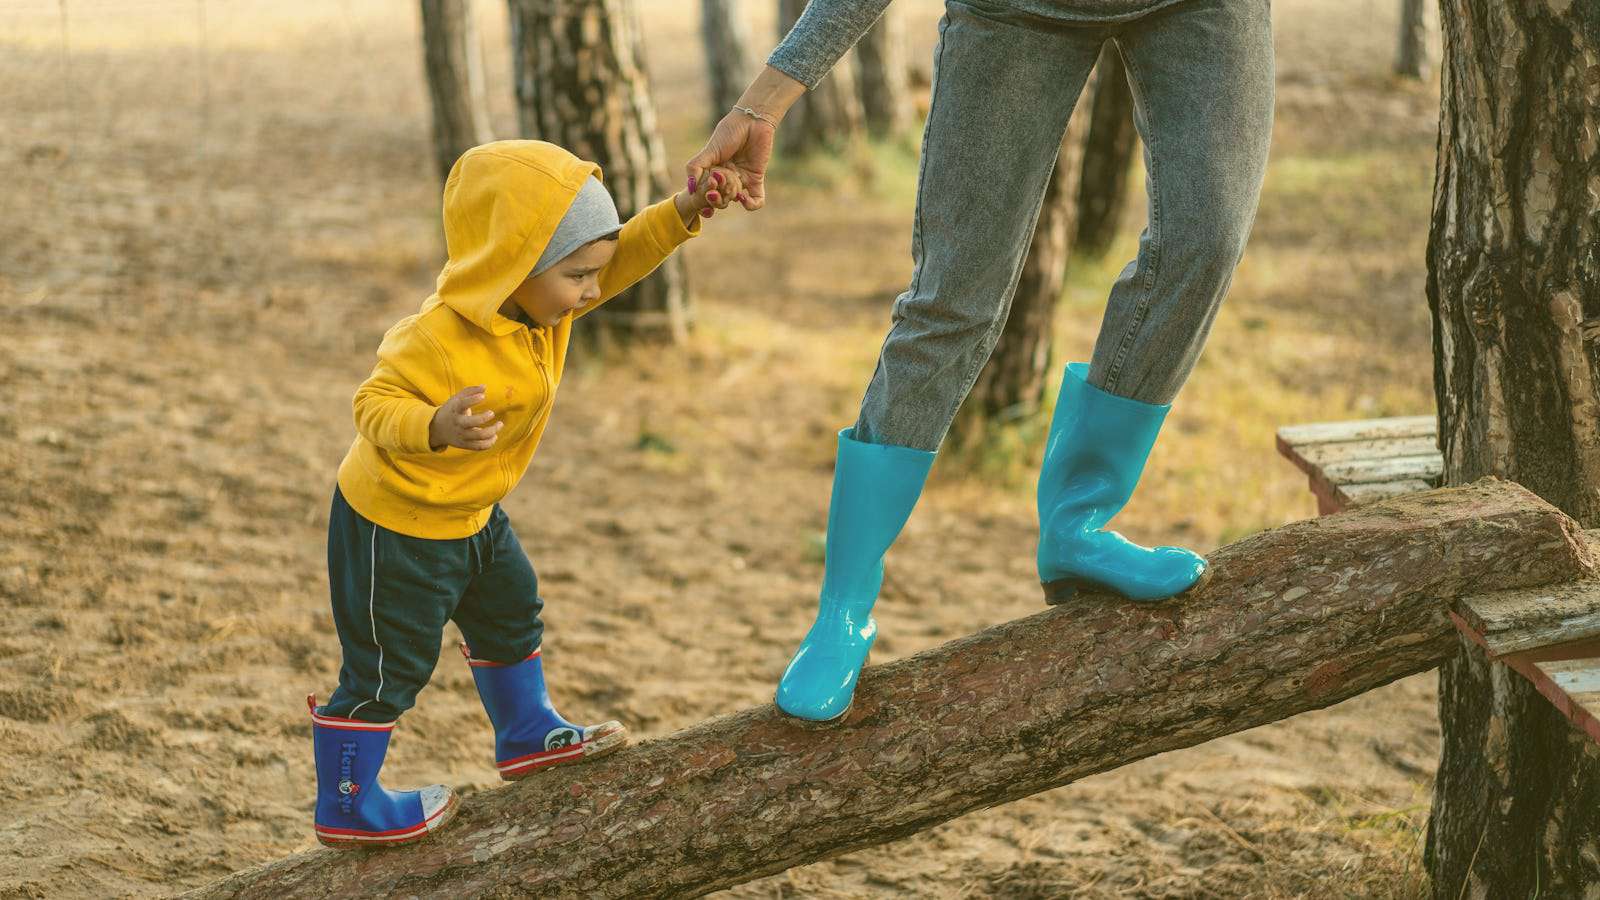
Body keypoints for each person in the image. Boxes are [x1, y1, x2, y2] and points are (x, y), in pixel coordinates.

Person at [687, 0, 1275, 724]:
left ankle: (1078, 526)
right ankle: (843, 613)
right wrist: (766, 100)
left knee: (1205, 243)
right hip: (1015, 13)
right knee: (952, 301)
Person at [307, 139, 745, 848]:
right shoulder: (436, 338)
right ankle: (347, 801)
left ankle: (526, 733)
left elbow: (622, 256)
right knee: (391, 666)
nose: (593, 291)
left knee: (513, 609)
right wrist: (434, 424)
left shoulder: (547, 305)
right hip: (399, 525)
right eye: (577, 276)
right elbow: (371, 403)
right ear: (513, 266)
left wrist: (685, 210)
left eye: (591, 275)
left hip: (474, 514)